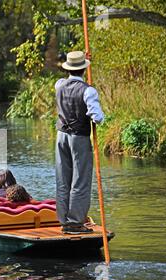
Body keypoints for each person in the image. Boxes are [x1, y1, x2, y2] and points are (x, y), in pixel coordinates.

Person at [55, 51, 104, 235]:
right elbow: (97, 118)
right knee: (81, 179)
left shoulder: (59, 85)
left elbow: (64, 82)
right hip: (79, 137)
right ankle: (75, 223)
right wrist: (98, 116)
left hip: (60, 137)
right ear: (84, 69)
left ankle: (64, 220)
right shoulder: (88, 90)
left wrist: (80, 60)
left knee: (62, 179)